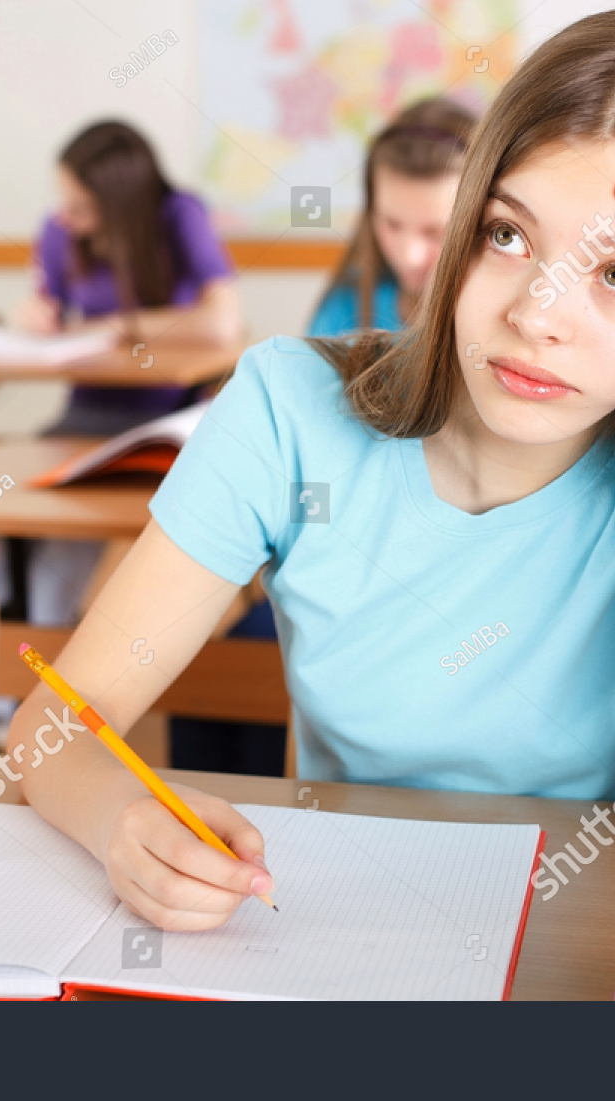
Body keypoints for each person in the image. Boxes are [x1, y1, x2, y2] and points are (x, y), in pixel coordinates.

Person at [6, 6, 615, 931]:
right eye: (508, 235)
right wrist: (120, 820)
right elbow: (57, 721)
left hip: (588, 953)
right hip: (330, 935)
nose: (538, 313)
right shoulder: (289, 408)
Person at [171, 98, 478, 777]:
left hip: (420, 560)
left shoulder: (497, 313)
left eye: (435, 228)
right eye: (392, 223)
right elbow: (310, 426)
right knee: (216, 654)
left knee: (267, 643)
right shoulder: (351, 296)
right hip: (332, 541)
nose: (410, 251)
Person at [5, 121, 242, 627]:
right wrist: (32, 316)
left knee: (85, 502)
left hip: (172, 417)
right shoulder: (59, 231)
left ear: (121, 205)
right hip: (86, 412)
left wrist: (123, 325)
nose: (67, 218)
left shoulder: (179, 215)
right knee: (16, 504)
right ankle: (23, 635)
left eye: (82, 207)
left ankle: (50, 632)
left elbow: (223, 321)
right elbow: (42, 312)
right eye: (63, 202)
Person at [308, 97, 477, 336]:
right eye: (392, 224)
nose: (410, 257)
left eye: (436, 232)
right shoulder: (345, 305)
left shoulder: (501, 317)